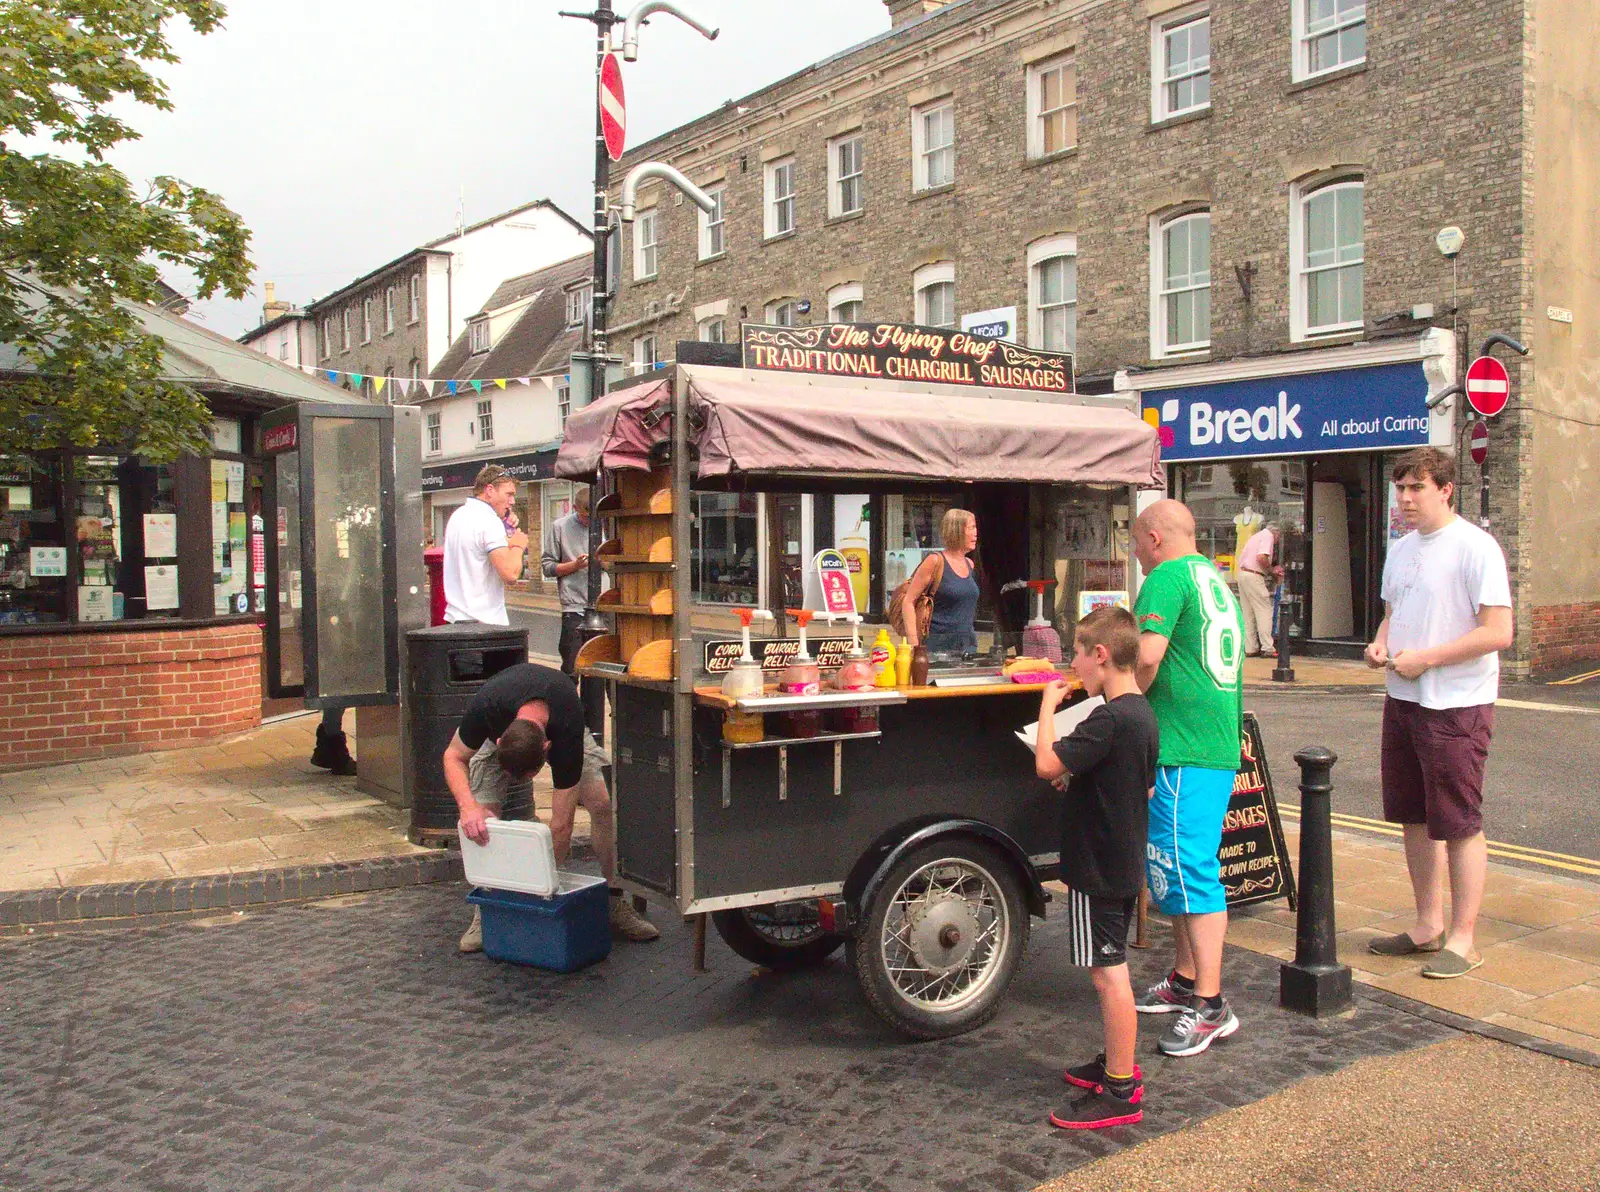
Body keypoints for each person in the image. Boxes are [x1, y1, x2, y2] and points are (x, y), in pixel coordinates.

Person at [1363, 448, 1512, 978]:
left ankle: (1464, 939)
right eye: (1400, 488)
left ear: (1446, 489)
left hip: (1456, 704)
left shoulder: (1476, 548)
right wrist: (1380, 645)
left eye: (1416, 488)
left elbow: (1499, 632)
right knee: (1412, 815)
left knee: (1459, 821)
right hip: (1402, 699)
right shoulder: (1401, 549)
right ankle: (1428, 925)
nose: (1404, 499)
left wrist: (1426, 658)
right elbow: (1392, 615)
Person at [1033, 605, 1159, 1130]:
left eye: (1079, 656)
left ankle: (1122, 1089)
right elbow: (1140, 784)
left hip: (1097, 865)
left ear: (1101, 656)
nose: (1075, 667)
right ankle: (1114, 1063)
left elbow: (1045, 763)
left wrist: (1046, 705)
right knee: (1105, 970)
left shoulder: (1105, 717)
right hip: (1122, 856)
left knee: (1109, 975)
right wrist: (1081, 781)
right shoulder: (1141, 714)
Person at [1130, 498, 1245, 1057]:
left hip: (1183, 748)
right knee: (1170, 863)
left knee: (1192, 868)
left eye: (1134, 542)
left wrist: (1115, 703)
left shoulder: (1166, 576)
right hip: (1211, 743)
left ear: (1153, 538)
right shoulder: (1212, 577)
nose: (1136, 554)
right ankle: (1182, 978)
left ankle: (1210, 1003)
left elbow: (1147, 657)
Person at [443, 661, 658, 948]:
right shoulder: (487, 706)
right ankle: (488, 909)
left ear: (547, 750)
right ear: (498, 738)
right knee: (482, 819)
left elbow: (561, 828)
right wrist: (467, 808)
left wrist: (542, 895)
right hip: (506, 727)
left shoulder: (565, 731)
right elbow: (453, 756)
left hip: (563, 726)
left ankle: (613, 899)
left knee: (605, 803)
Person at [541, 486, 604, 733]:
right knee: (571, 669)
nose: (589, 522)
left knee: (602, 672)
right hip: (574, 609)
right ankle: (566, 726)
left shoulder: (606, 526)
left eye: (593, 517)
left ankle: (598, 725)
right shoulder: (559, 527)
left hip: (604, 607)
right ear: (574, 508)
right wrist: (574, 565)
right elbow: (547, 567)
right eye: (585, 516)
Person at [443, 465, 528, 626]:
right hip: (485, 624)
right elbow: (510, 574)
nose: (512, 501)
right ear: (489, 490)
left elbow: (476, 552)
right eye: (508, 494)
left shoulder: (458, 515)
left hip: (455, 620)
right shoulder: (489, 521)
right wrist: (518, 545)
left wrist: (504, 528)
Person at [899, 508, 981, 655]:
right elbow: (908, 601)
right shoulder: (935, 561)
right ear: (957, 531)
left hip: (967, 648)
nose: (976, 533)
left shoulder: (969, 564)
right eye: (971, 527)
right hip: (937, 649)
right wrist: (914, 645)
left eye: (975, 527)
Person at [1236, 521, 1284, 658]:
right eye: (1278, 537)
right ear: (1276, 533)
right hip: (1254, 575)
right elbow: (1261, 557)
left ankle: (1250, 647)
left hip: (1243, 573)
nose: (1277, 541)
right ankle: (1268, 647)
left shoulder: (1256, 536)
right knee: (1264, 610)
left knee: (1248, 613)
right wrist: (1272, 570)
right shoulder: (1268, 536)